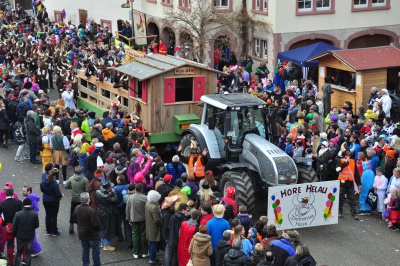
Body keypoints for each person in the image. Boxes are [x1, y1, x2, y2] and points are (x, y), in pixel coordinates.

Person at [73, 192, 101, 266]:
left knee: (85, 250)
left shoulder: (77, 208)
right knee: (95, 251)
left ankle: (85, 264)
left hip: (82, 234)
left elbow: (75, 220)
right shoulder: (91, 210)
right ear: (88, 199)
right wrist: (98, 230)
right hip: (92, 235)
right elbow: (96, 224)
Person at [12, 198, 39, 266]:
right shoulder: (35, 214)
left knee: (19, 253)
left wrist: (15, 234)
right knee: (28, 254)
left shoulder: (18, 214)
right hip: (30, 237)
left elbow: (14, 227)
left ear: (23, 204)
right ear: (30, 204)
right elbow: (37, 225)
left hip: (20, 236)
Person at [0, 188, 23, 266]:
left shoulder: (2, 204)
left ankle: (12, 263)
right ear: (13, 194)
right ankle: (22, 260)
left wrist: (4, 224)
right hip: (18, 226)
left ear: (5, 194)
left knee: (10, 244)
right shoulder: (19, 202)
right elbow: (22, 214)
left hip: (8, 226)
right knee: (20, 244)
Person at [126, 183, 148, 259]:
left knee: (135, 235)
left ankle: (135, 252)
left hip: (134, 218)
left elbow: (127, 209)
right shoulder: (145, 198)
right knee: (143, 235)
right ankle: (144, 252)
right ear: (142, 189)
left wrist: (128, 218)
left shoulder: (130, 198)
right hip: (143, 219)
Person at [65, 165, 89, 234]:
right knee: (83, 214)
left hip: (74, 199)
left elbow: (66, 186)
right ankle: (83, 229)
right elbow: (87, 190)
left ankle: (71, 228)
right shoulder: (85, 179)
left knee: (72, 213)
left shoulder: (71, 178)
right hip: (82, 200)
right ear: (81, 172)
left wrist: (72, 188)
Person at [336, 151, 360, 220]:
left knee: (352, 198)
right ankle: (340, 211)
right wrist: (344, 164)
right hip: (342, 183)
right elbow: (337, 170)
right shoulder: (340, 161)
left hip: (350, 183)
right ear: (344, 155)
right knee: (340, 198)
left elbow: (356, 173)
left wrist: (358, 183)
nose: (348, 156)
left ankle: (354, 213)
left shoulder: (353, 161)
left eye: (349, 155)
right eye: (346, 155)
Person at [96, 182, 118, 251]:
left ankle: (102, 242)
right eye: (111, 188)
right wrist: (114, 193)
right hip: (106, 213)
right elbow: (115, 199)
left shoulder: (98, 192)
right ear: (108, 189)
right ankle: (106, 245)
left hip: (101, 211)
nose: (112, 189)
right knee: (106, 229)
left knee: (103, 227)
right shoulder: (106, 197)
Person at [40, 172, 63, 236]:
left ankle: (48, 231)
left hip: (45, 200)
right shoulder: (54, 184)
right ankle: (54, 231)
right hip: (54, 201)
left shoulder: (42, 183)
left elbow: (42, 190)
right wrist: (61, 196)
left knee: (48, 215)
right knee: (53, 216)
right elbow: (58, 194)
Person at [21, 185, 42, 257]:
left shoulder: (29, 199)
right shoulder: (32, 197)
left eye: (24, 191)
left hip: (30, 219)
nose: (22, 192)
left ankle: (36, 249)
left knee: (32, 235)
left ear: (29, 191)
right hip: (33, 218)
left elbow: (27, 209)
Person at [145, 190, 162, 265]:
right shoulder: (154, 207)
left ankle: (152, 257)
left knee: (150, 243)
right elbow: (156, 220)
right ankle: (152, 260)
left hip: (149, 226)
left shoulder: (147, 203)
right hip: (154, 228)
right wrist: (161, 224)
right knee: (154, 244)